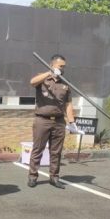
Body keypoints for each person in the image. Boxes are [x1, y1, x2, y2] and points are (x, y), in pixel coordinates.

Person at [27, 54, 80, 189]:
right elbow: (32, 82)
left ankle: (54, 177)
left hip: (59, 121)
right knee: (38, 149)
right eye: (60, 66)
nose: (63, 68)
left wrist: (72, 121)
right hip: (42, 120)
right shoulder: (44, 78)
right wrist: (49, 73)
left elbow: (68, 104)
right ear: (52, 65)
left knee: (56, 151)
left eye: (64, 66)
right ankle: (33, 176)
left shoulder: (65, 83)